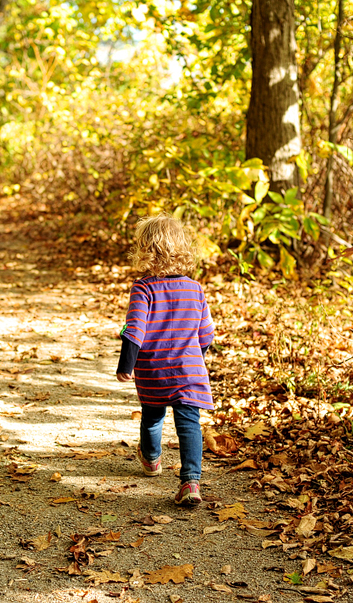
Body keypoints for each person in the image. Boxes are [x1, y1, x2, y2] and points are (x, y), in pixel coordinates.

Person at [116, 214, 215, 506]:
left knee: (152, 416)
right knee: (189, 424)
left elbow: (134, 330)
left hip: (153, 370)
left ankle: (151, 459)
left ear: (145, 251)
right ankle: (191, 483)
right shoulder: (195, 289)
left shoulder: (143, 288)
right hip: (189, 371)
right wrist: (198, 358)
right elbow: (206, 334)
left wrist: (126, 365)